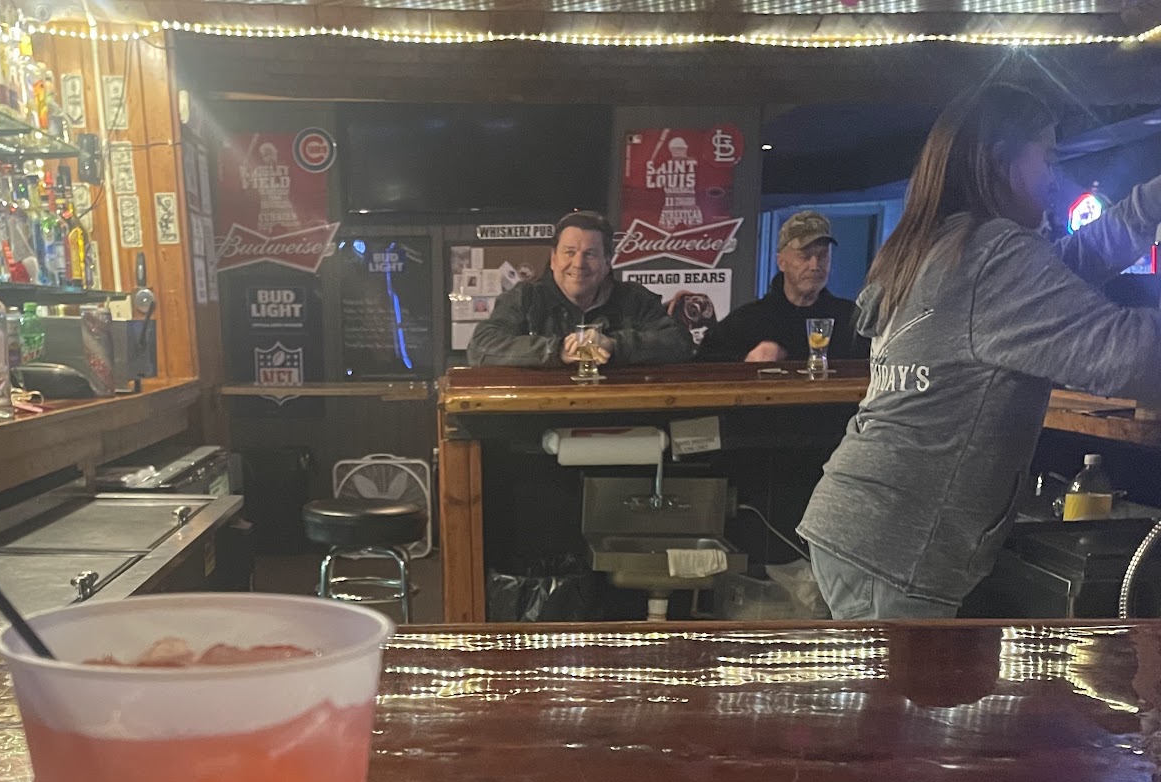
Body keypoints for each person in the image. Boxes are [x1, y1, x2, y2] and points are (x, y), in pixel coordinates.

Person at [798, 83, 1161, 620]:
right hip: (899, 544)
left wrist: (1150, 202)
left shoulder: (943, 244)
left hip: (862, 520)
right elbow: (1131, 357)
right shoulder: (993, 256)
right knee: (903, 681)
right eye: (1048, 158)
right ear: (1001, 161)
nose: (1053, 177)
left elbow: (1069, 265)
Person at [467, 212, 694, 366]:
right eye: (569, 252)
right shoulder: (525, 298)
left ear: (607, 262)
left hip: (618, 415)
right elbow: (481, 347)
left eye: (590, 254)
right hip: (540, 416)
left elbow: (680, 343)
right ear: (553, 259)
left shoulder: (634, 299)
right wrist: (558, 351)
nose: (578, 263)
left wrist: (614, 345)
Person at [700, 211, 867, 363]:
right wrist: (746, 360)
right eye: (805, 256)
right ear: (781, 262)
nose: (815, 265)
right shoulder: (746, 322)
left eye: (823, 256)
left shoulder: (851, 320)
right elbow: (700, 365)